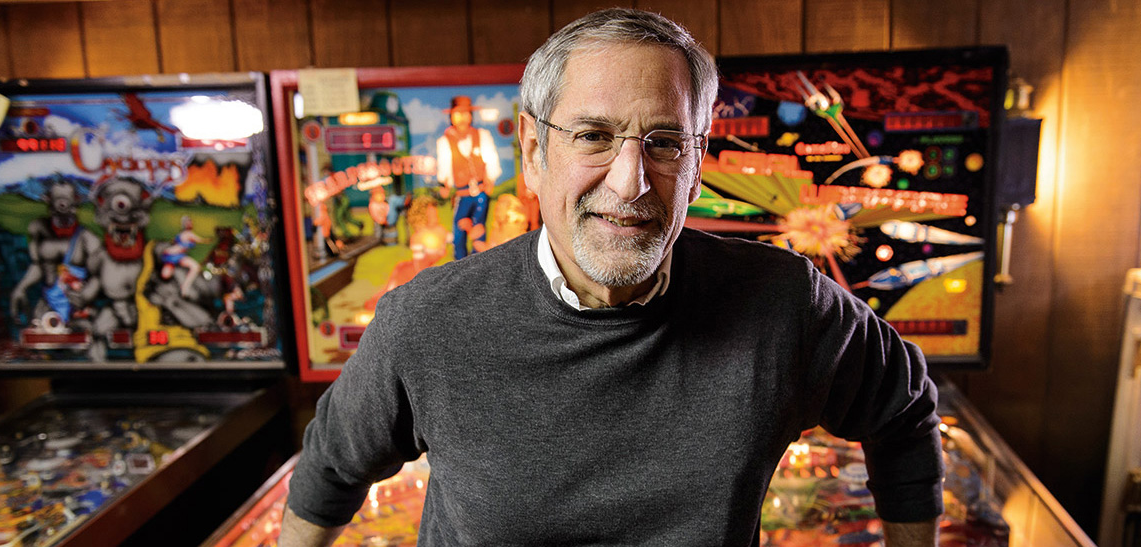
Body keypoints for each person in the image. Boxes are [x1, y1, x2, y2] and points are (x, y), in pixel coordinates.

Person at [280, 8, 943, 547]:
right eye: (594, 136)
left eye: (663, 142)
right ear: (534, 153)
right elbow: (330, 470)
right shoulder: (425, 323)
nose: (630, 183)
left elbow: (905, 412)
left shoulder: (787, 305)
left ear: (698, 164)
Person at [436, 95, 502, 259]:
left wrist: (490, 180)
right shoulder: (445, 141)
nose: (462, 117)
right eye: (457, 113)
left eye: (465, 113)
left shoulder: (481, 135)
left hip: (480, 192)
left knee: (478, 228)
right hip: (462, 194)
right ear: (451, 116)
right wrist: (444, 184)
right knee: (459, 232)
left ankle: (478, 264)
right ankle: (459, 265)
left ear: (471, 115)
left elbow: (491, 158)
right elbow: (444, 166)